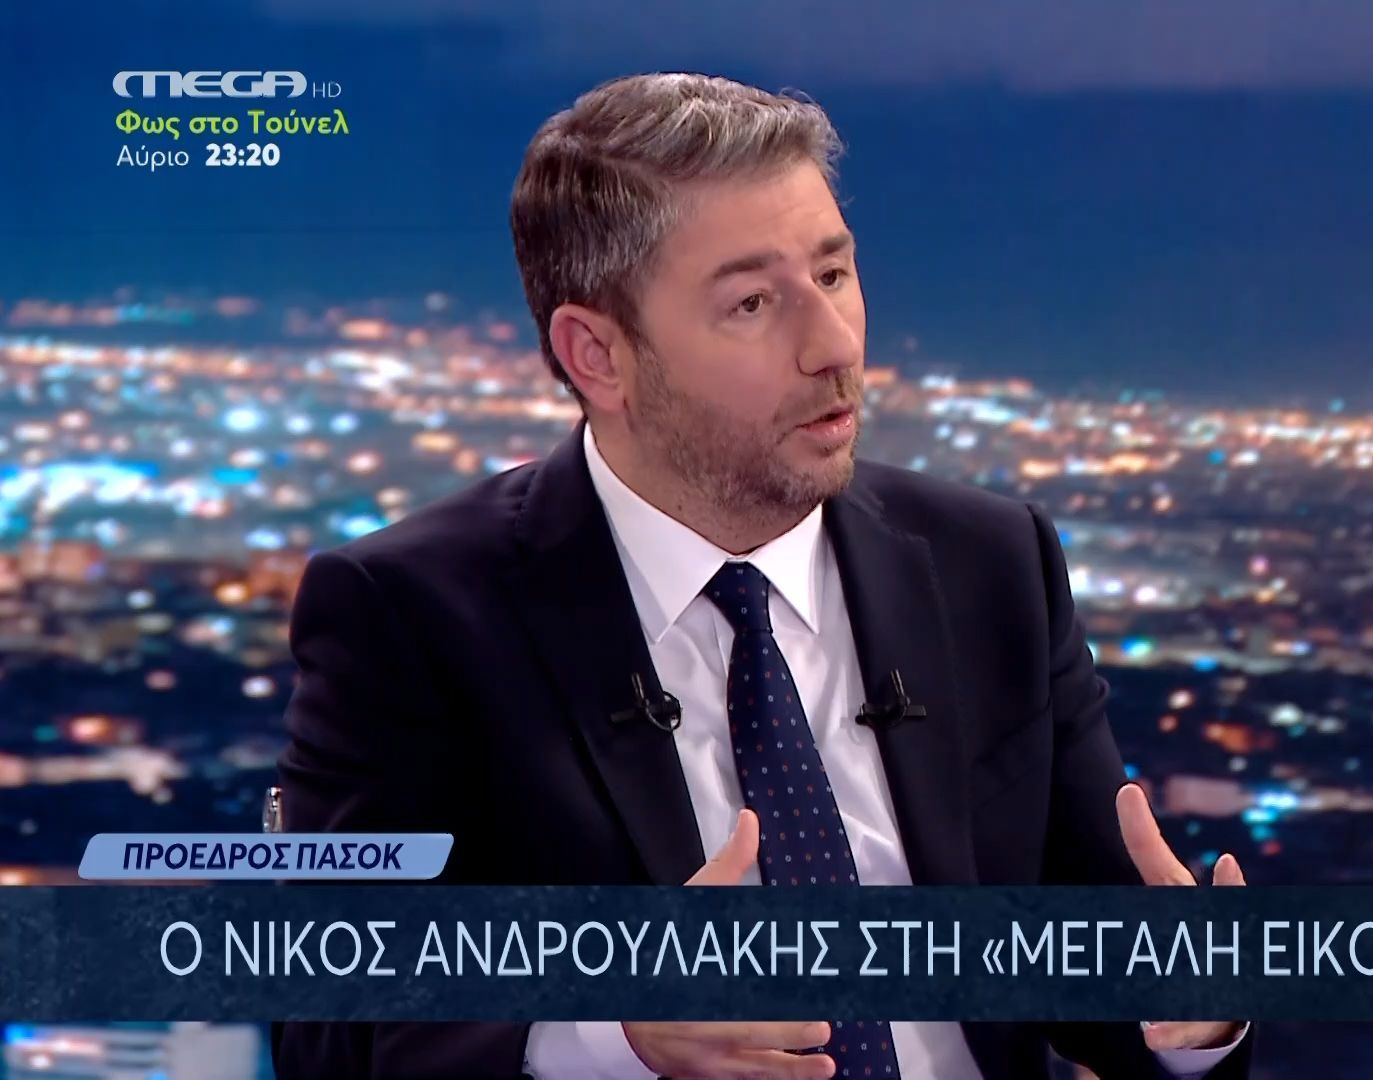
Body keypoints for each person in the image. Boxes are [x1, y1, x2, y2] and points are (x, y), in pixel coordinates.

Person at [271, 72, 1253, 1079]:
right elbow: (331, 1029)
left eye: (833, 274)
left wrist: (1191, 1015)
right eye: (750, 303)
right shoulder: (410, 616)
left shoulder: (992, 563)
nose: (834, 345)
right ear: (597, 355)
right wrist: (615, 1034)